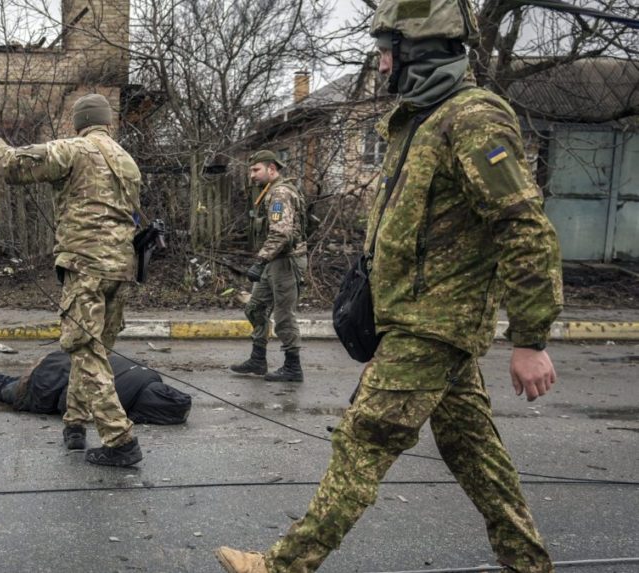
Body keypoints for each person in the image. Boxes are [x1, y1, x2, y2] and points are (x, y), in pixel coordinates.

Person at [215, 1, 563, 571]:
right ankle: (528, 562)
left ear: (419, 50)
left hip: (433, 326)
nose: (379, 66)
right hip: (419, 321)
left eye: (385, 53)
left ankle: (284, 565)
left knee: (364, 439)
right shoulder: (423, 120)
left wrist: (532, 338)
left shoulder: (473, 118)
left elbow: (524, 228)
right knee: (474, 452)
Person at [0, 94, 144, 467]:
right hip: (121, 267)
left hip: (86, 266)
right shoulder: (126, 161)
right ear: (108, 121)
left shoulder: (74, 150)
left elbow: (12, 166)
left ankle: (119, 439)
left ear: (79, 121)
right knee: (94, 352)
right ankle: (76, 424)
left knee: (85, 350)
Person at [0, 351, 192, 425]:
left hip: (59, 360)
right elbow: (67, 400)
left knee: (8, 381)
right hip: (47, 385)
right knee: (1, 391)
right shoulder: (117, 400)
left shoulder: (147, 375)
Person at [229, 150, 307, 382]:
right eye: (251, 170)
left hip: (285, 261)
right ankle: (258, 359)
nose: (252, 175)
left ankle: (293, 367)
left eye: (256, 170)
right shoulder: (269, 191)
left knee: (284, 316)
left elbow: (281, 234)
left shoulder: (280, 193)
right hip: (273, 260)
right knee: (255, 308)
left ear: (271, 169)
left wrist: (260, 260)